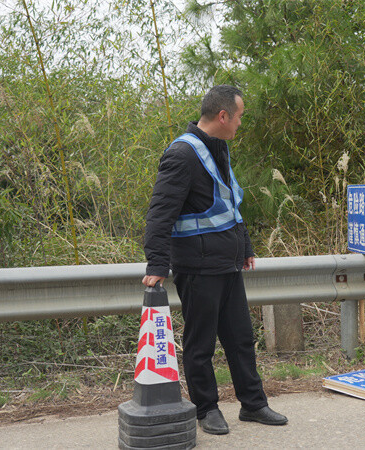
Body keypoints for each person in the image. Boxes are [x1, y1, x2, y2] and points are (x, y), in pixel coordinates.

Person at [142, 85, 287, 435]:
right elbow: (159, 214)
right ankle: (206, 408)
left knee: (240, 338)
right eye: (238, 116)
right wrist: (157, 266)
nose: (240, 123)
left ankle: (253, 404)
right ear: (223, 116)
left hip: (227, 262)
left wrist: (245, 246)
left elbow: (229, 205)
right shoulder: (182, 154)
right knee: (201, 344)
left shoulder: (217, 148)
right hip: (197, 266)